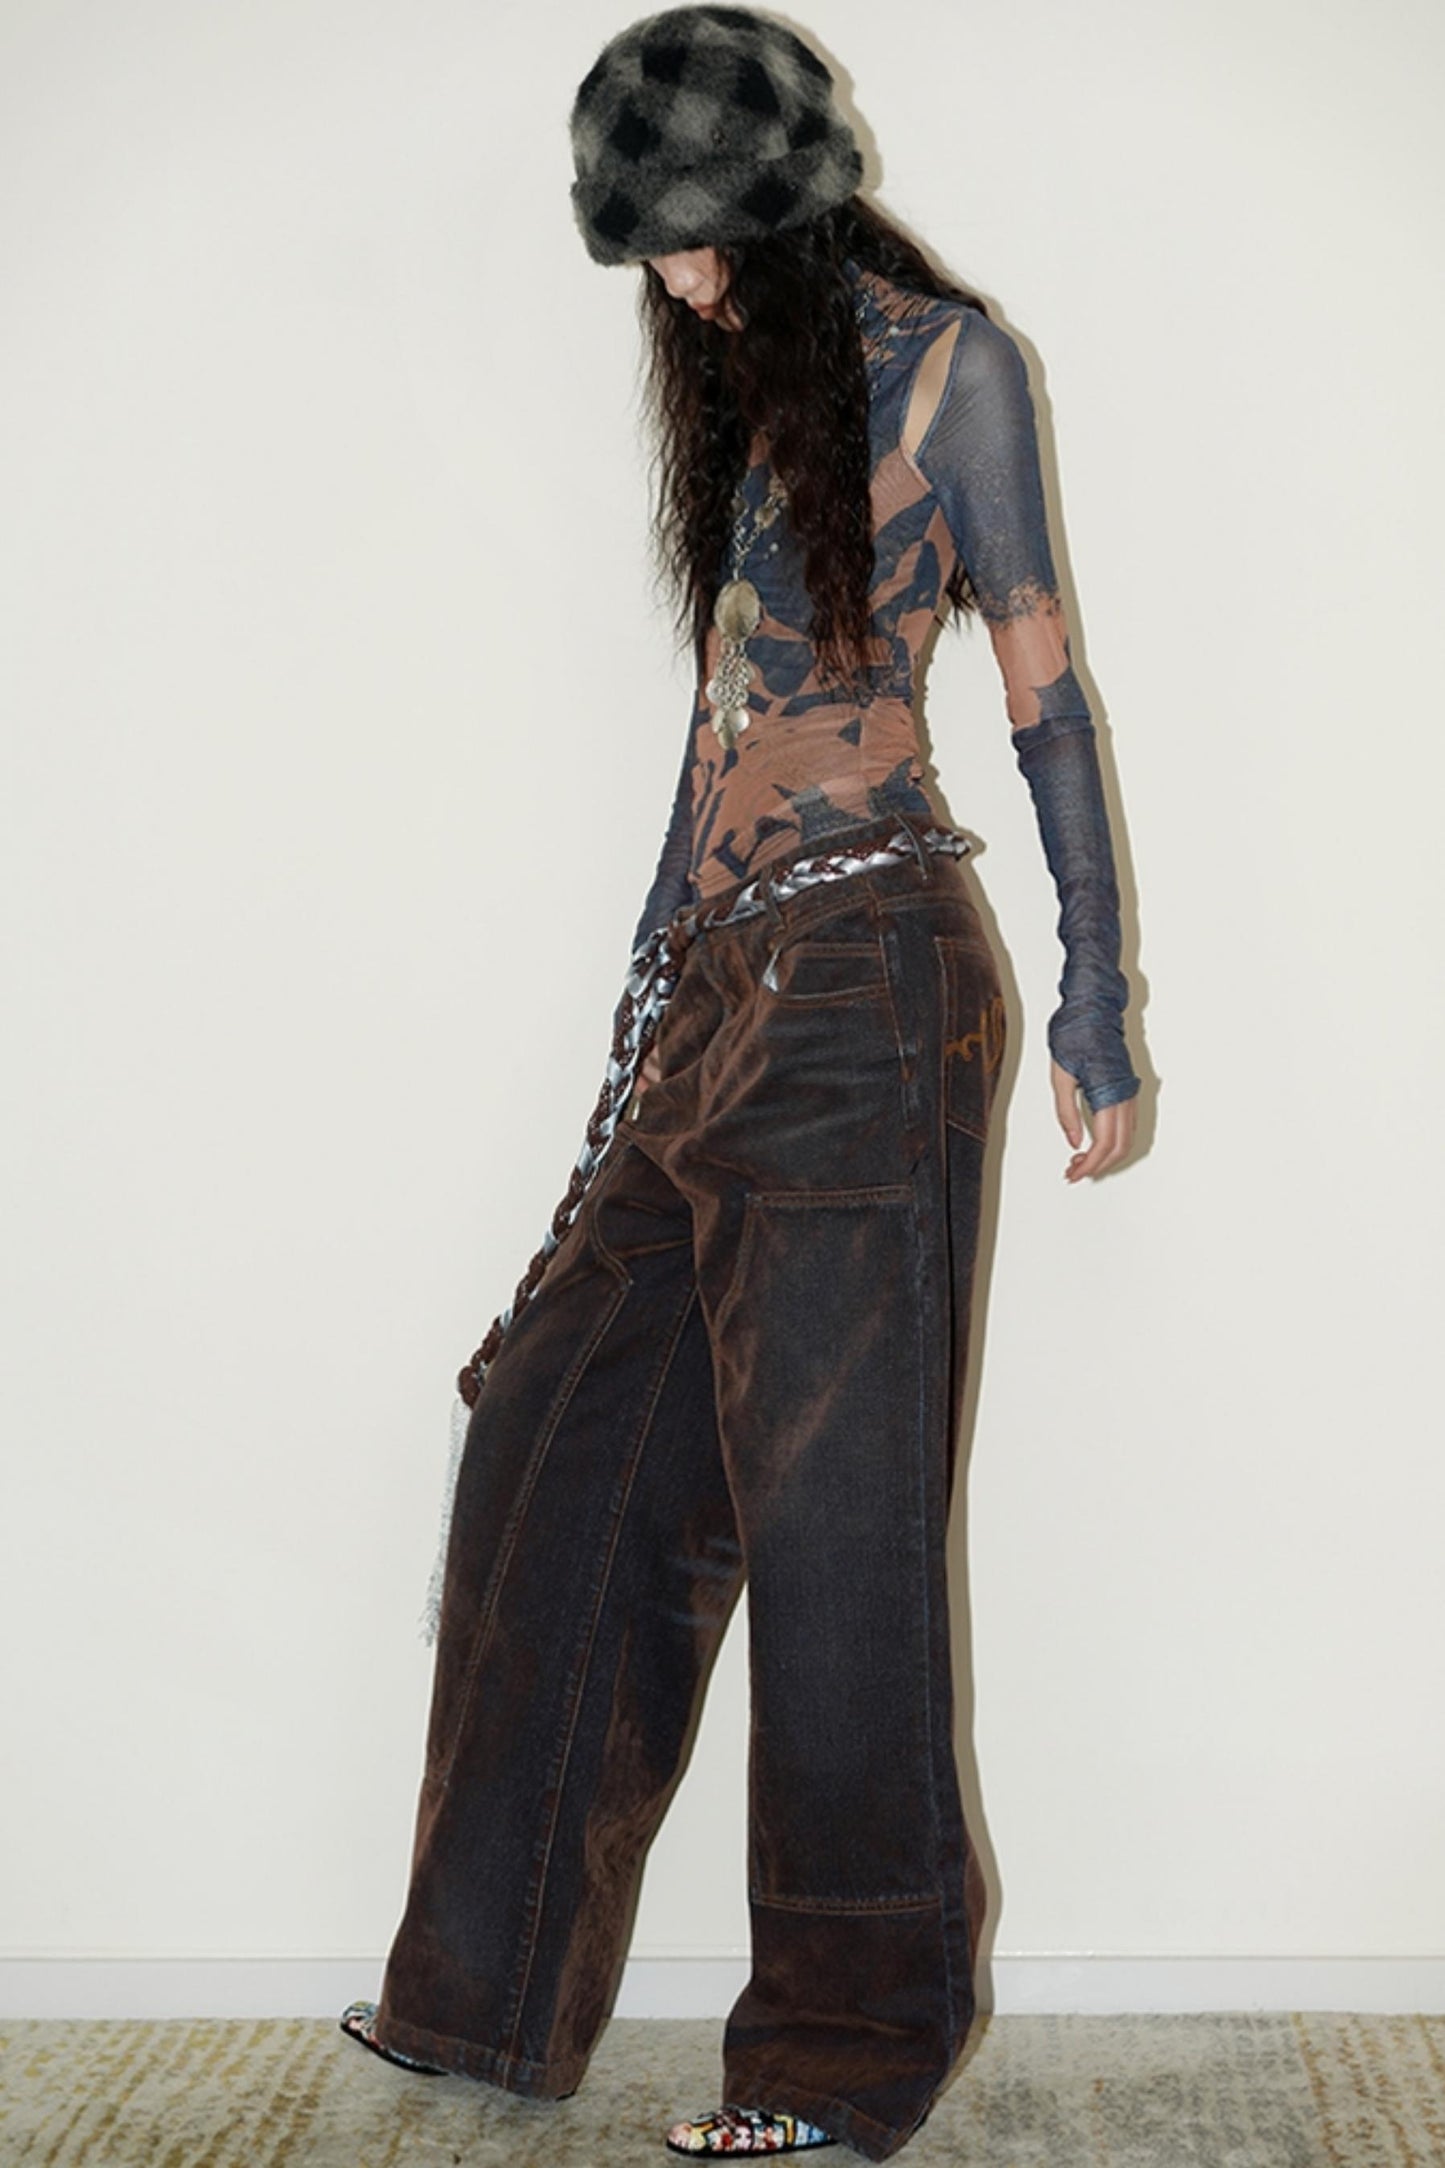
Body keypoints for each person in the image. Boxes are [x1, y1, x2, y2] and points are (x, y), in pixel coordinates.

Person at [340, 5, 1142, 2159]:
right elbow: (717, 750)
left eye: (702, 246)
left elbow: (1049, 694)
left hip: (875, 983)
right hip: (725, 992)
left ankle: (841, 2057)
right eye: (655, 258)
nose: (684, 288)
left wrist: (1100, 998)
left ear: (788, 213)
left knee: (839, 1529)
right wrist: (649, 1018)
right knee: (553, 1432)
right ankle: (487, 1995)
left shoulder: (957, 373)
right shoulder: (751, 412)